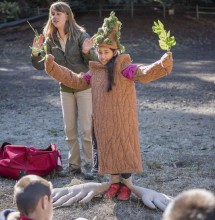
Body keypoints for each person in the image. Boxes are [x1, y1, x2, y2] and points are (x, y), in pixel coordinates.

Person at [44, 11, 173, 201]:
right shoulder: (94, 72)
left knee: (123, 148)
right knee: (107, 148)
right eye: (100, 52)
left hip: (122, 120)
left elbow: (143, 72)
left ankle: (127, 184)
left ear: (115, 51)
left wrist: (161, 65)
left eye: (106, 52)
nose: (103, 56)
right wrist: (53, 68)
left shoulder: (125, 68)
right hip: (103, 121)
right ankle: (114, 182)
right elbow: (75, 80)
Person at [31, 1, 97, 179]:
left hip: (84, 87)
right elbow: (39, 65)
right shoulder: (49, 39)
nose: (54, 17)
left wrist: (88, 52)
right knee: (69, 130)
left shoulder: (81, 35)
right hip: (65, 89)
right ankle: (74, 166)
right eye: (52, 14)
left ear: (67, 15)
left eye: (58, 13)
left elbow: (96, 60)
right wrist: (36, 52)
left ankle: (91, 165)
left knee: (86, 129)